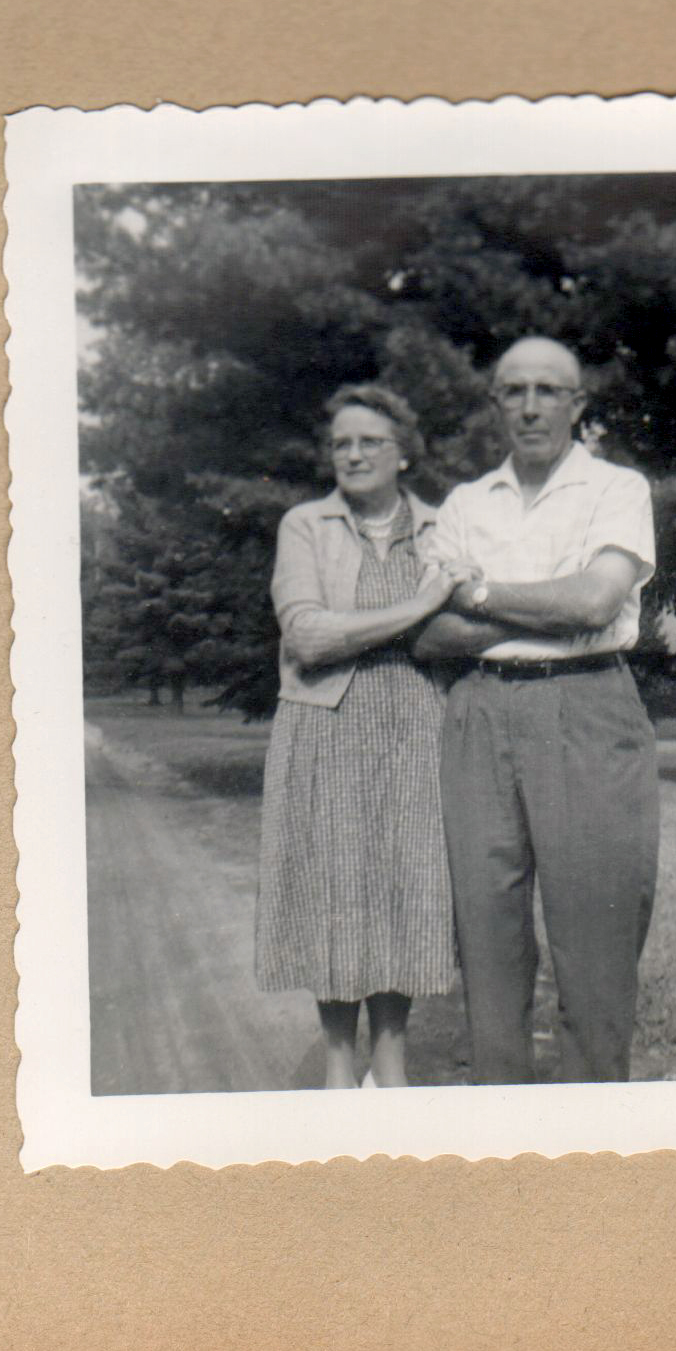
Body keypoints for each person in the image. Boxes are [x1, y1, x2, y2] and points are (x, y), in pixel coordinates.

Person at [416, 341, 661, 1084]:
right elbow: (430, 632)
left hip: (587, 707)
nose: (530, 406)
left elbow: (595, 601)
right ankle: (504, 1130)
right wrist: (544, 608)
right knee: (486, 936)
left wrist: (482, 593)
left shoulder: (616, 489)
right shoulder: (464, 504)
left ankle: (592, 1135)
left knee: (596, 933)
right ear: (495, 406)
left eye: (549, 391)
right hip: (479, 712)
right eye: (513, 391)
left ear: (578, 405)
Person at [256, 388, 461, 1088]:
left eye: (370, 441)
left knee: (406, 885)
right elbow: (308, 635)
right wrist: (419, 606)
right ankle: (340, 1062)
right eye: (341, 442)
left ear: (404, 452)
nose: (352, 453)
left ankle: (392, 1056)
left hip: (416, 723)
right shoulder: (306, 525)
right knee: (335, 886)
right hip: (327, 722)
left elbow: (464, 626)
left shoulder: (443, 527)